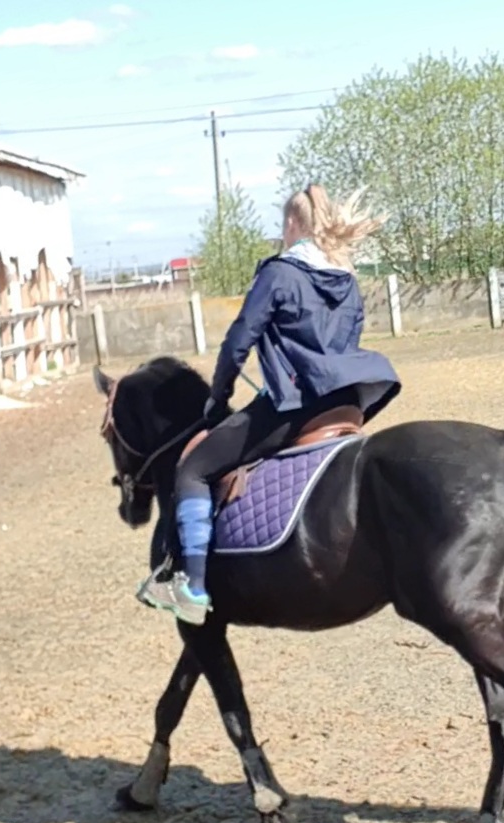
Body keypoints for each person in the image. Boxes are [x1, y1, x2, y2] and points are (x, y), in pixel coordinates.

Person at [139, 183, 402, 624]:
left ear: (292, 223)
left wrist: (218, 397)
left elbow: (238, 341)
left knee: (193, 469)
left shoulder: (279, 273)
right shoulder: (346, 279)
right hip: (350, 402)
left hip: (298, 405)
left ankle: (193, 588)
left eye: (283, 226)